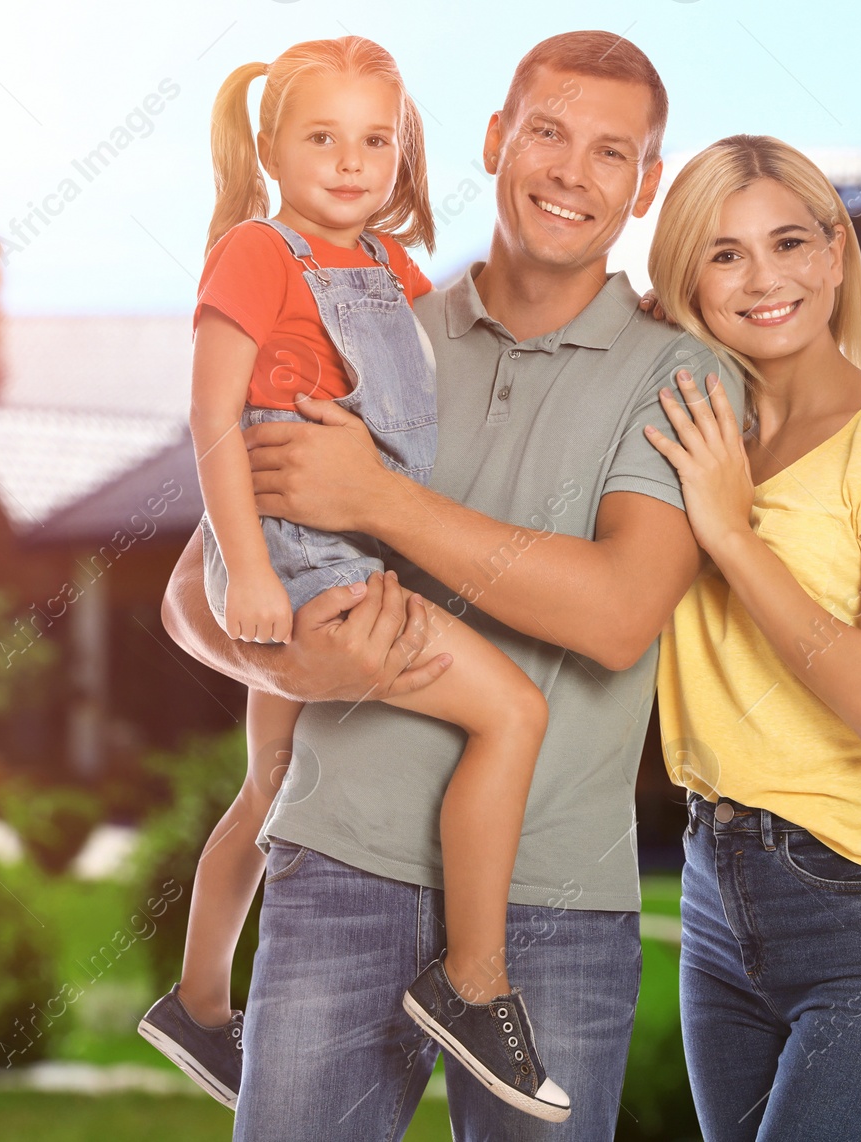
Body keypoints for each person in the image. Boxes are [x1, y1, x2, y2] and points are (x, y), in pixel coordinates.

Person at [161, 31, 741, 1142]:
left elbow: (619, 615)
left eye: (611, 153)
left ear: (645, 185)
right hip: (336, 867)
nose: (572, 172)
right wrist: (282, 656)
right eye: (547, 133)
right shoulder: (371, 324)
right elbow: (195, 589)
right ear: (492, 139)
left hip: (559, 902)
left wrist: (376, 500)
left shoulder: (682, 373)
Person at [136, 35, 569, 1122]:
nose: (349, 161)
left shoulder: (389, 267)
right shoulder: (254, 251)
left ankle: (196, 1004)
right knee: (510, 710)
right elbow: (215, 422)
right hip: (292, 548)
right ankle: (471, 982)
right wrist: (246, 577)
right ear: (273, 145)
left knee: (270, 786)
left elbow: (451, 368)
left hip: (350, 535)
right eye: (321, 137)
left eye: (374, 140)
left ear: (403, 154)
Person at [641, 134, 861, 1140]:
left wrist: (732, 538)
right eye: (724, 252)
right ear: (686, 279)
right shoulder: (686, 432)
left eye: (789, 242)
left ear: (835, 255)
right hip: (715, 889)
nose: (764, 278)